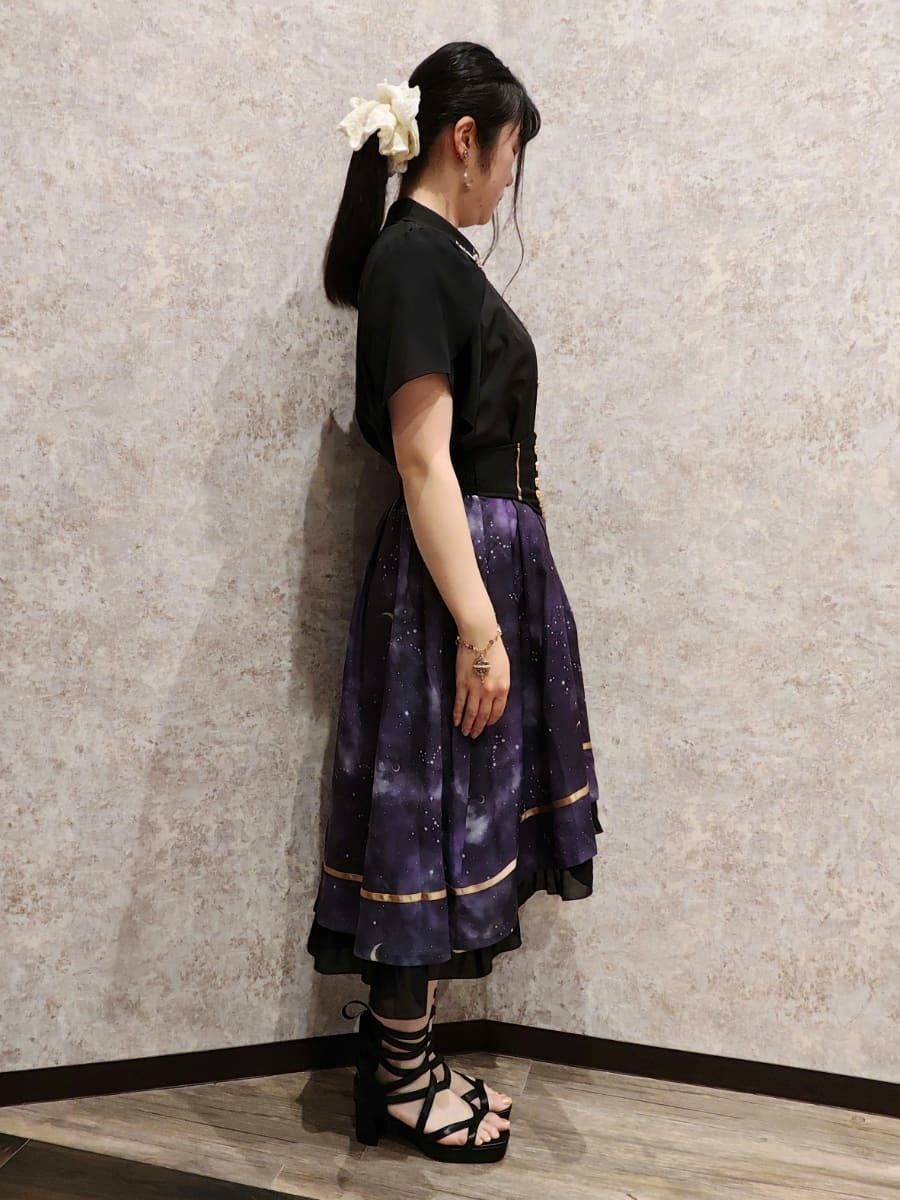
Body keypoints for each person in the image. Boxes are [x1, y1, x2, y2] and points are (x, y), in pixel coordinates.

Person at [307, 40, 604, 1163]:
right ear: (465, 140)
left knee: (452, 814)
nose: (512, 178)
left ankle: (413, 1062)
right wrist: (480, 630)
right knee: (425, 824)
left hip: (479, 566)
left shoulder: (434, 257)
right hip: (455, 582)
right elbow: (424, 460)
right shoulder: (415, 259)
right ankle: (397, 1080)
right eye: (512, 150)